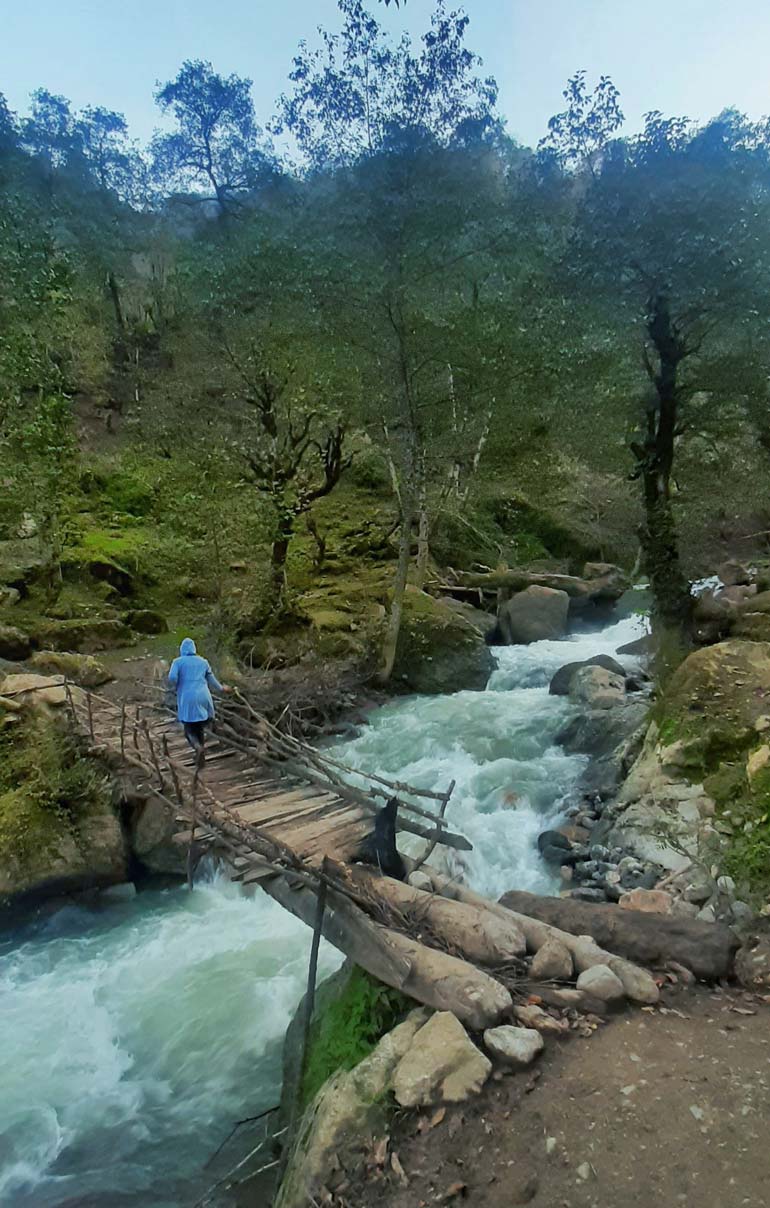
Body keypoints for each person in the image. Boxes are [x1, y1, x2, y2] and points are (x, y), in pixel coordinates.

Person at [167, 638, 229, 762]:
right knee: (199, 726)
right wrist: (222, 688)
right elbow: (211, 679)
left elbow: (172, 677)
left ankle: (197, 747)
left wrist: (176, 686)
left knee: (189, 728)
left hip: (188, 696)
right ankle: (201, 756)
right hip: (203, 695)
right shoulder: (203, 661)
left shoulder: (178, 662)